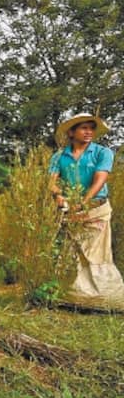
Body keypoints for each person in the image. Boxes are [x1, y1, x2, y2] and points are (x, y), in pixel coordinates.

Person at [49, 112, 124, 307]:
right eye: (84, 128)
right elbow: (52, 183)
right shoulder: (59, 156)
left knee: (97, 254)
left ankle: (104, 299)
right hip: (71, 211)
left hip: (96, 209)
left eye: (91, 128)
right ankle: (72, 297)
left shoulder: (102, 153)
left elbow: (100, 179)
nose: (89, 132)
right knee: (71, 253)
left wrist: (83, 202)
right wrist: (58, 195)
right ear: (71, 132)